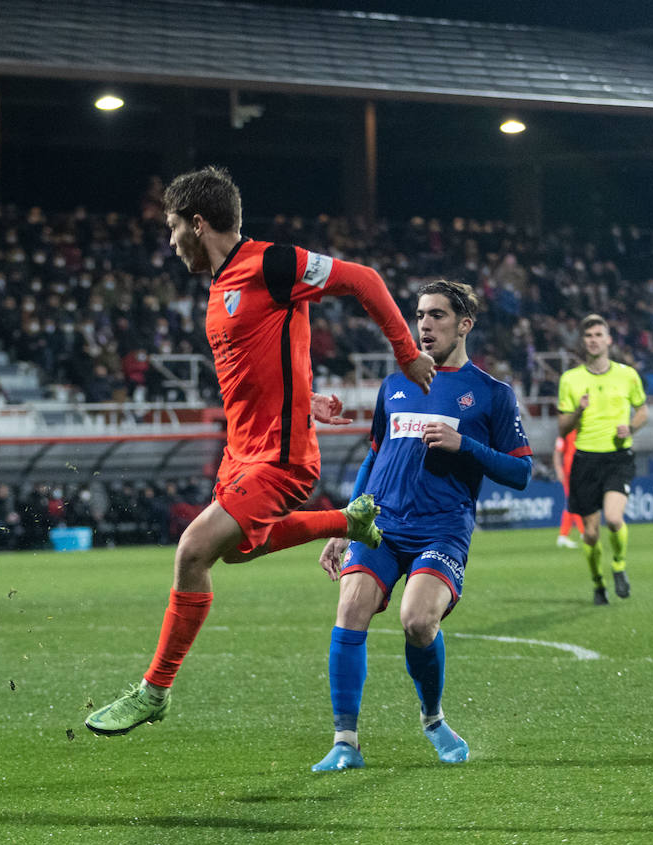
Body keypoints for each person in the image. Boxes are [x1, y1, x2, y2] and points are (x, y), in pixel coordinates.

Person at [85, 165, 435, 738]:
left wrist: (404, 351)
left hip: (281, 457)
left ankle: (154, 690)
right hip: (241, 452)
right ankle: (347, 521)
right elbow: (267, 358)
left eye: (173, 228)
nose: (171, 243)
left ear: (199, 223)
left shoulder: (272, 264)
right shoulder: (220, 286)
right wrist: (306, 396)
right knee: (237, 553)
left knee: (192, 550)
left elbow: (366, 280)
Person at [310, 280, 533, 771]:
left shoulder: (492, 394)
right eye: (419, 316)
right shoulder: (395, 384)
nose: (424, 326)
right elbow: (373, 458)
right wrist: (346, 522)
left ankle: (432, 719)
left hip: (442, 527)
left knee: (417, 620)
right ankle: (345, 741)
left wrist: (465, 445)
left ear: (464, 324)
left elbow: (521, 472)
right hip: (383, 525)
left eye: (436, 316)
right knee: (349, 608)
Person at [557, 314, 648, 605]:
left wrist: (631, 427)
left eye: (599, 334)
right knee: (592, 535)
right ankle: (598, 583)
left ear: (609, 339)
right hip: (585, 460)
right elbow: (562, 427)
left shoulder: (628, 375)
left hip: (618, 457)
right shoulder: (571, 379)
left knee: (613, 517)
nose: (594, 340)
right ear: (583, 342)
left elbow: (643, 411)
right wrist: (579, 412)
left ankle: (619, 565)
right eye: (588, 336)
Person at [553, 430, 582, 549]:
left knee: (573, 503)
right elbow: (557, 452)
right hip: (570, 472)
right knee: (574, 502)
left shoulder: (583, 430)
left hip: (581, 471)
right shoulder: (566, 432)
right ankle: (583, 532)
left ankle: (563, 535)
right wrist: (559, 470)